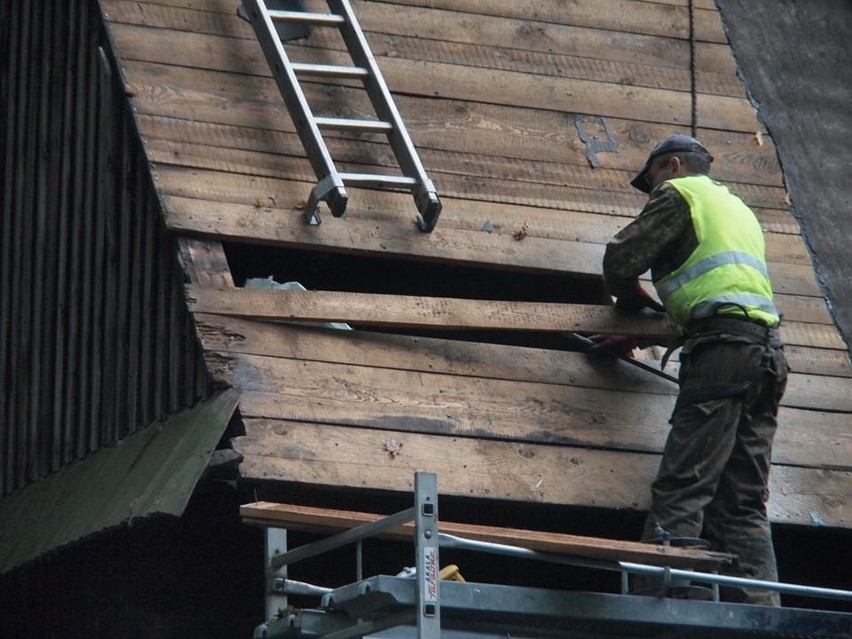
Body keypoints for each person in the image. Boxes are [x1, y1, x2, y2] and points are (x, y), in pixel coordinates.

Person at [597, 134, 789, 606]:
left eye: (653, 177)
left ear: (673, 165)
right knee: (743, 503)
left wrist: (627, 301)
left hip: (722, 352)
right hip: (767, 356)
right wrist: (646, 334)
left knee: (684, 484)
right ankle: (765, 614)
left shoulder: (679, 192)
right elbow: (720, 292)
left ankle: (668, 610)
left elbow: (620, 258)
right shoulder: (738, 209)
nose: (653, 189)